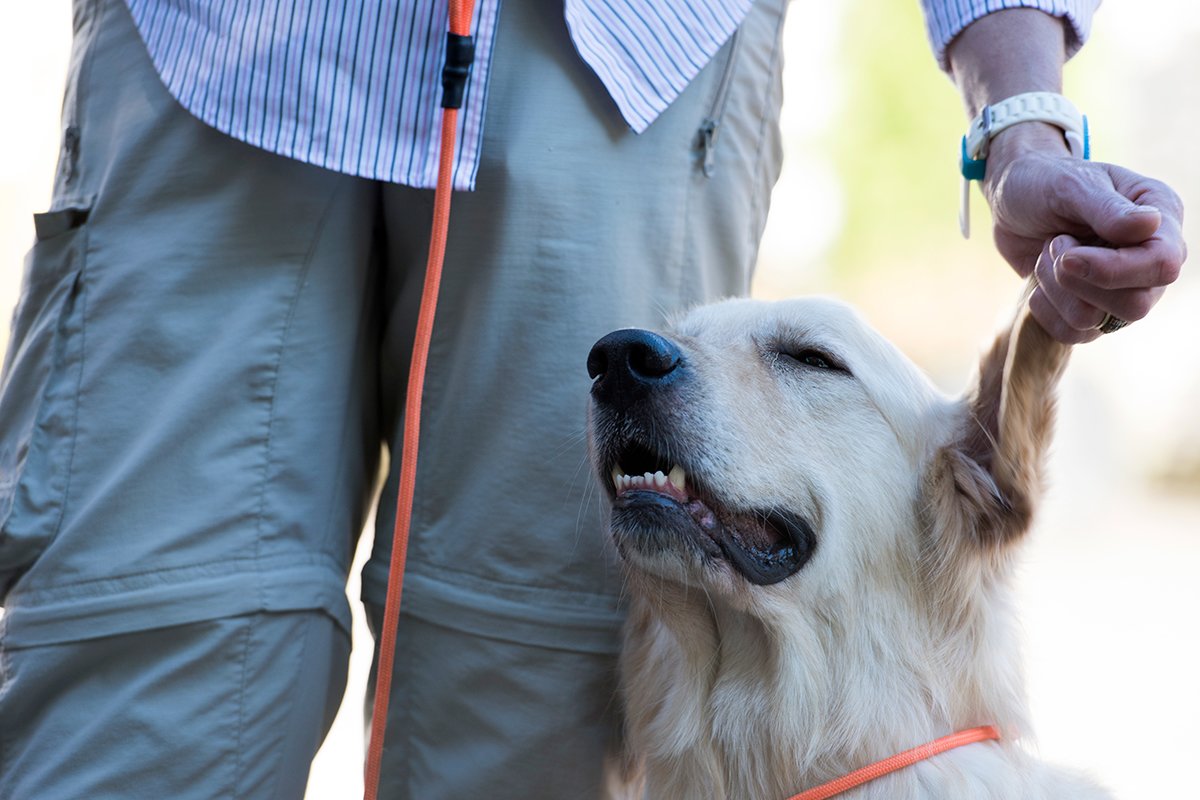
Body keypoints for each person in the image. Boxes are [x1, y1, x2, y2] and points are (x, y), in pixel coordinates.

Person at [0, 0, 1184, 797]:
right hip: (209, 43)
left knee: (524, 698)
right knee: (135, 666)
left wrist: (1020, 113)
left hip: (629, 52)